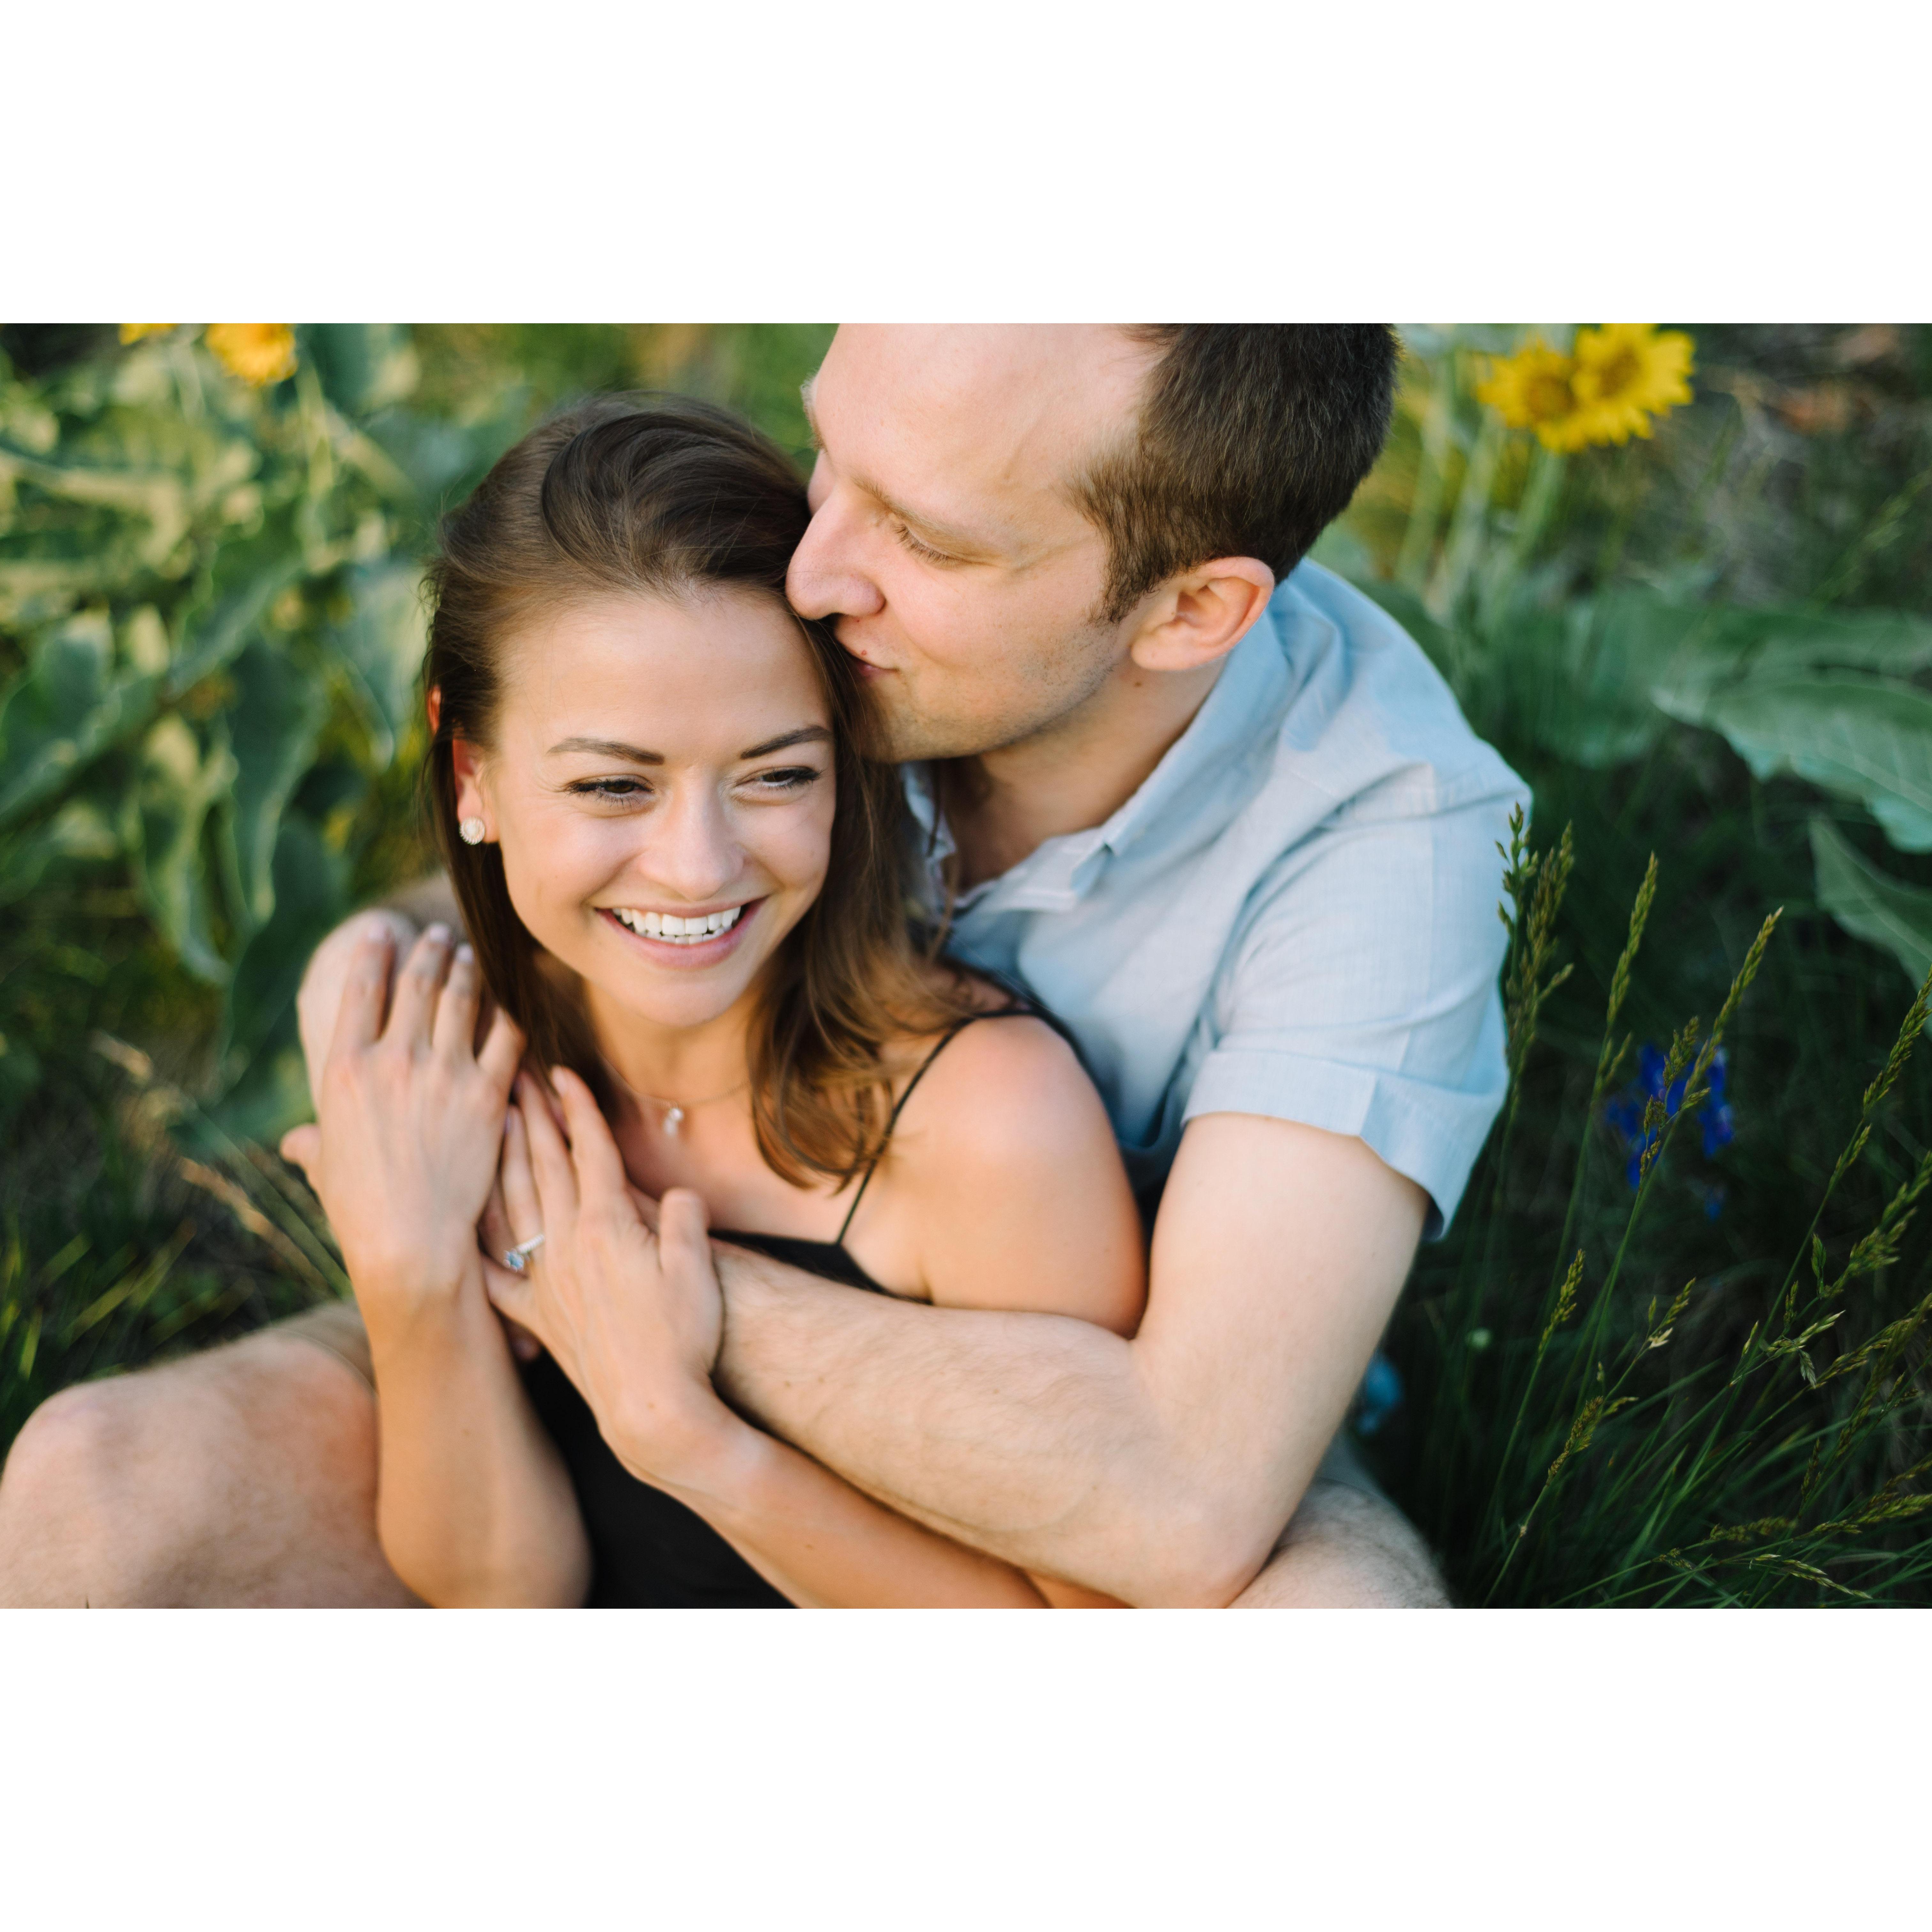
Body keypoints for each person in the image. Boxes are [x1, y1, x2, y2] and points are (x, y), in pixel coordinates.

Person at [0, 325, 1526, 1608]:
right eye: (829, 461)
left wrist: (593, 1261)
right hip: (615, 1220)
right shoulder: (839, 632)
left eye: (922, 535)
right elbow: (589, 799)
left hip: (1098, 1377)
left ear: (1191, 610)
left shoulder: (1385, 844)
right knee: (90, 1500)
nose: (808, 573)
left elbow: (1182, 1486)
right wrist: (377, 984)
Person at [289, 395, 1145, 1605]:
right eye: (612, 786)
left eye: (777, 774)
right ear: (471, 773)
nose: (699, 866)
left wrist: (693, 1447)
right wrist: (409, 1272)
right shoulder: (457, 1059)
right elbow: (492, 1597)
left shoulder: (988, 1124)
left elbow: (1102, 1641)